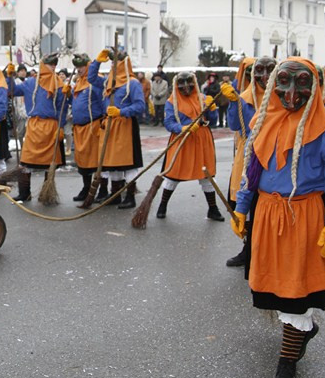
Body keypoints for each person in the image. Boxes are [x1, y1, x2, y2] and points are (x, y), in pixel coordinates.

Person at [233, 57, 325, 378]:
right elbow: (252, 172)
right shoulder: (261, 119)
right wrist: (242, 207)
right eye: (284, 81)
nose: (292, 91)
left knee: (297, 294)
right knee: (277, 290)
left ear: (314, 86)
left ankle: (287, 362)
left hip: (306, 217)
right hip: (268, 215)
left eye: (302, 83)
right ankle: (302, 331)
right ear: (273, 84)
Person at [156, 71, 222, 220]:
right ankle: (162, 206)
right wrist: (183, 128)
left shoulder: (203, 99)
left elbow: (213, 120)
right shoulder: (171, 102)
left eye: (189, 83)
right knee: (173, 174)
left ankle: (213, 209)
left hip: (202, 141)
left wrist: (211, 109)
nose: (186, 87)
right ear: (176, 85)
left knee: (207, 175)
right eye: (182, 84)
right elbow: (168, 123)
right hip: (182, 141)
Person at [6, 53, 68, 203]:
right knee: (25, 162)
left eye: (55, 65)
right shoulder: (30, 83)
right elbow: (11, 91)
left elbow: (62, 108)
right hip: (34, 126)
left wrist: (61, 127)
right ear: (42, 65)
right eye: (50, 65)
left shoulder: (59, 85)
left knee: (50, 164)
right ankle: (24, 193)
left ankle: (47, 193)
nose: (53, 67)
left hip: (51, 126)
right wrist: (9, 76)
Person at [96, 48, 145, 209]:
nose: (112, 67)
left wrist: (121, 111)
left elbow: (140, 106)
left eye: (115, 64)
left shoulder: (133, 83)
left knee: (128, 163)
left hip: (125, 125)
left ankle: (130, 196)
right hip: (110, 125)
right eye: (111, 64)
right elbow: (90, 78)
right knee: (113, 163)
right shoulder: (108, 82)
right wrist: (97, 62)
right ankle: (115, 194)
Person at [221, 57, 257, 266]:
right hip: (247, 155)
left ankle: (260, 249)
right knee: (245, 203)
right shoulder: (242, 97)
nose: (260, 76)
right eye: (254, 71)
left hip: (272, 155)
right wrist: (234, 104)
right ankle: (248, 248)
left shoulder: (279, 96)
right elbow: (235, 125)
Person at [69, 53, 107, 202]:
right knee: (83, 160)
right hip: (79, 129)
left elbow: (104, 100)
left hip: (93, 127)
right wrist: (68, 95)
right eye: (77, 67)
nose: (79, 69)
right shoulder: (78, 82)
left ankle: (102, 190)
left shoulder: (95, 82)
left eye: (82, 66)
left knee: (97, 160)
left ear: (88, 66)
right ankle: (86, 188)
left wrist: (104, 120)